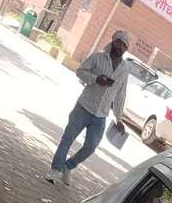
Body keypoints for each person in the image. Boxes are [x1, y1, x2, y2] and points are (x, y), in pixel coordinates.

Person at [46, 29, 130, 185]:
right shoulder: (97, 57)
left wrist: (119, 119)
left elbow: (120, 95)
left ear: (126, 48)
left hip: (101, 115)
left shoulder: (124, 69)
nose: (120, 47)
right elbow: (80, 71)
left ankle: (68, 166)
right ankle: (55, 170)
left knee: (90, 147)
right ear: (113, 41)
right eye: (118, 42)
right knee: (67, 139)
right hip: (84, 107)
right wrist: (96, 79)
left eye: (124, 45)